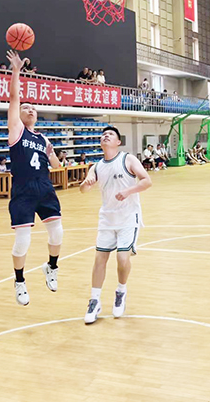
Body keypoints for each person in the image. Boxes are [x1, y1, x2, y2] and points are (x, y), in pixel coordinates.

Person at [5, 50, 64, 306]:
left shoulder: (43, 138)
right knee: (22, 242)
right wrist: (16, 70)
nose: (29, 109)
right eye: (25, 108)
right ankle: (19, 281)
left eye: (33, 108)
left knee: (58, 234)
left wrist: (53, 156)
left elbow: (57, 166)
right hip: (23, 190)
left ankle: (51, 267)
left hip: (44, 187)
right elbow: (14, 97)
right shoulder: (16, 131)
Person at [80, 126, 152, 324]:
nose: (106, 136)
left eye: (110, 134)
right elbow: (83, 190)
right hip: (107, 218)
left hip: (128, 217)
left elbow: (147, 181)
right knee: (99, 259)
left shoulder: (128, 159)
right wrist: (86, 183)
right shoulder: (96, 167)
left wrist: (128, 191)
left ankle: (121, 291)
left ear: (118, 142)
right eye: (103, 134)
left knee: (122, 258)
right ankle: (94, 301)